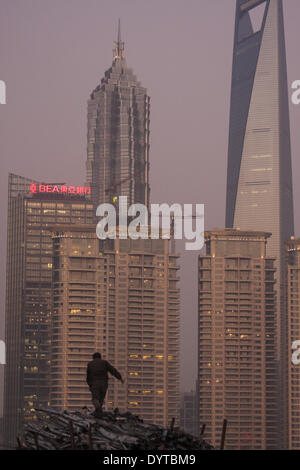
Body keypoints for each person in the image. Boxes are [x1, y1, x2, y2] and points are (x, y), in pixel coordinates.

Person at [86, 352, 124, 417]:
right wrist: (120, 377)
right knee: (101, 398)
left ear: (93, 357)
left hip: (95, 384)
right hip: (104, 383)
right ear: (100, 357)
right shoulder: (104, 363)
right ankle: (99, 411)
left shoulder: (90, 364)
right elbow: (113, 370)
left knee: (95, 398)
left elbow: (88, 376)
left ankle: (98, 409)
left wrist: (90, 385)